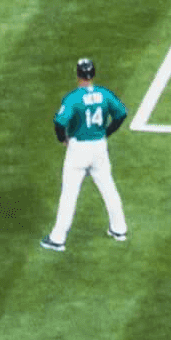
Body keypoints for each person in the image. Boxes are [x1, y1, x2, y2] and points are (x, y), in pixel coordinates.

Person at [42, 55, 129, 251]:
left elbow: (59, 122)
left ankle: (58, 238)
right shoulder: (104, 94)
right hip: (99, 147)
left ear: (78, 75)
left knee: (69, 194)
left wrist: (62, 139)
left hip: (78, 149)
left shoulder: (74, 98)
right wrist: (107, 132)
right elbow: (121, 113)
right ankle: (119, 228)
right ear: (93, 74)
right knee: (108, 187)